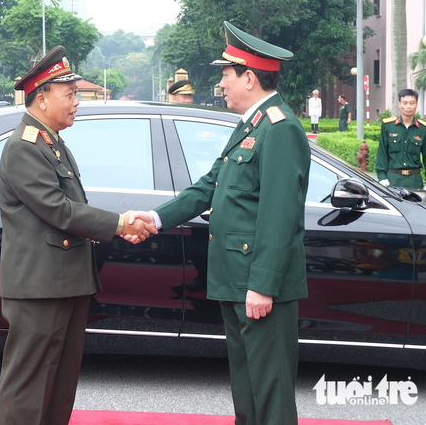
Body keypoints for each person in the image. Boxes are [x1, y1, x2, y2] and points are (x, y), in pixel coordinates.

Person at [127, 21, 310, 425]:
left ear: (249, 76)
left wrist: (262, 285)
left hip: (258, 285)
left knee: (271, 391)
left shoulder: (279, 130)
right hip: (236, 278)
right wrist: (156, 218)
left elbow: (280, 216)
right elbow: (210, 186)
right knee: (246, 386)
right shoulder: (252, 125)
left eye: (226, 75)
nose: (221, 84)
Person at [0, 46, 157, 425]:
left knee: (60, 380)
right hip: (39, 287)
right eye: (69, 94)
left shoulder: (52, 141)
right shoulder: (24, 147)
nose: (76, 102)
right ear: (42, 96)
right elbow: (59, 209)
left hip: (63, 282)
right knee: (30, 383)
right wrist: (120, 224)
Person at [376, 89, 426, 191]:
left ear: (416, 104)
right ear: (399, 104)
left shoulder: (423, 129)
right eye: (405, 103)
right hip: (392, 179)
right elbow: (382, 153)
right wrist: (382, 178)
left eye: (412, 103)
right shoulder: (388, 126)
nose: (408, 106)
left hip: (414, 180)